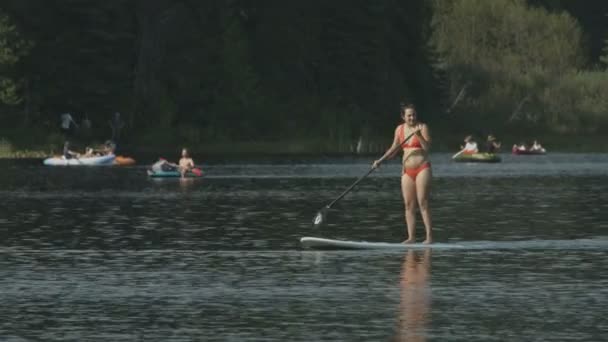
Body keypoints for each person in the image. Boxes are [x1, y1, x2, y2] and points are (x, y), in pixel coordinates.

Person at [372, 103, 432, 244]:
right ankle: (411, 238)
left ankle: (429, 237)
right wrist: (380, 161)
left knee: (422, 202)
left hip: (422, 168)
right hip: (407, 170)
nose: (412, 117)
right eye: (409, 115)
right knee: (408, 204)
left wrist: (419, 136)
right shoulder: (399, 129)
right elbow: (394, 149)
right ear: (403, 117)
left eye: (414, 115)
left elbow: (427, 148)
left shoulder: (422, 127)